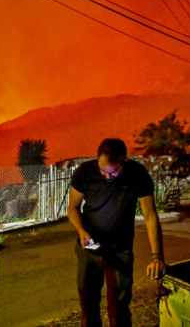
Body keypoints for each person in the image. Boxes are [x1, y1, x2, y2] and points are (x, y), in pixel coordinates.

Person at [68, 138, 166, 327]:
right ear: (97, 159)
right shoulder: (84, 172)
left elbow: (150, 215)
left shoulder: (137, 174)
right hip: (89, 247)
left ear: (124, 161)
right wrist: (81, 231)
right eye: (103, 171)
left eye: (113, 172)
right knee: (88, 307)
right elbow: (73, 208)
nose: (107, 176)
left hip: (120, 249)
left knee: (120, 309)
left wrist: (157, 256)